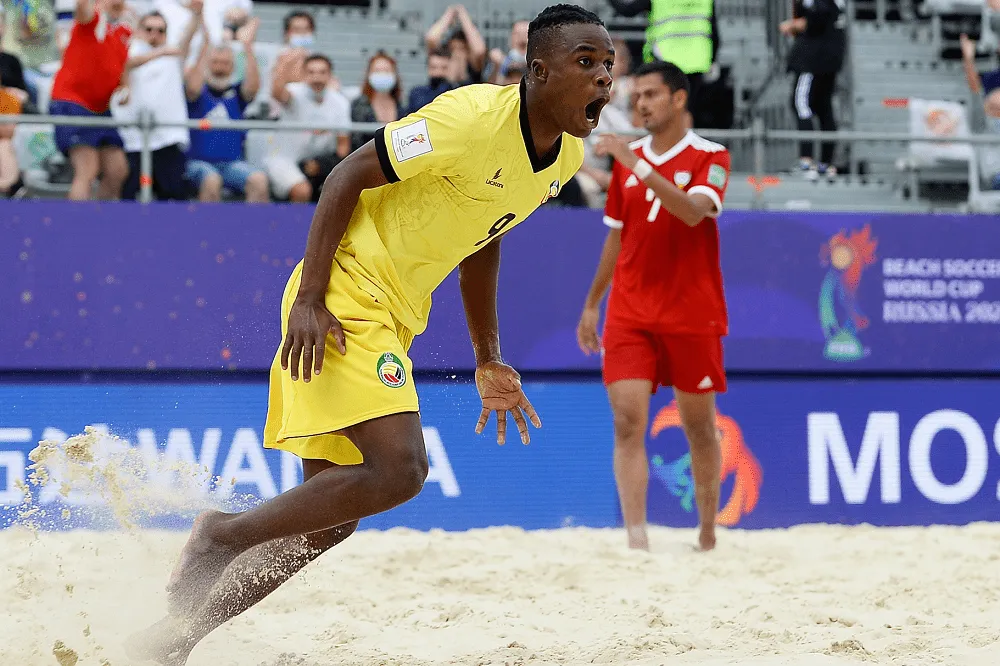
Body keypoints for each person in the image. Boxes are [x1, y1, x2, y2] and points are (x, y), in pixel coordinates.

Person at [126, 4, 612, 662]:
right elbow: (348, 173)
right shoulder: (468, 118)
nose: (604, 77)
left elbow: (484, 238)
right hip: (344, 294)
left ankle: (175, 638)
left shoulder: (565, 158)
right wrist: (311, 297)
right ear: (539, 71)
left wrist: (488, 357)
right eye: (586, 62)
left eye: (608, 64)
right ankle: (221, 535)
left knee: (328, 523)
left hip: (393, 314)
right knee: (400, 470)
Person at [576, 60, 730, 552]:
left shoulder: (712, 155)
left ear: (678, 99)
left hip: (692, 312)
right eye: (636, 96)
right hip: (631, 312)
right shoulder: (630, 159)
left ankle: (707, 532)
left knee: (699, 428)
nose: (639, 103)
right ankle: (637, 540)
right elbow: (615, 238)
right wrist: (592, 304)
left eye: (650, 94)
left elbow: (692, 213)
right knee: (627, 421)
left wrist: (636, 163)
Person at [115, 5, 203, 201]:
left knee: (172, 200)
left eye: (160, 31)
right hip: (133, 140)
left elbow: (188, 37)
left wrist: (197, 14)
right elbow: (125, 65)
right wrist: (161, 52)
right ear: (139, 30)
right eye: (149, 29)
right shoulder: (130, 51)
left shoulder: (174, 57)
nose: (154, 35)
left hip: (167, 139)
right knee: (128, 199)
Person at [49, 0, 132, 200]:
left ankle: (101, 217)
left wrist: (125, 87)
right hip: (72, 102)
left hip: (100, 108)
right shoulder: (93, 20)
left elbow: (122, 67)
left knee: (117, 169)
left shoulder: (123, 32)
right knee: (87, 168)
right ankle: (77, 219)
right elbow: (82, 8)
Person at [183, 30, 268, 202]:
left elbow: (253, 87)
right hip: (197, 163)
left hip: (231, 164)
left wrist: (247, 47)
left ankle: (255, 221)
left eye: (225, 63)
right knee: (212, 180)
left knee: (259, 181)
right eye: (215, 62)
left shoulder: (237, 94)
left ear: (233, 67)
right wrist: (205, 48)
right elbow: (192, 87)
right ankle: (208, 221)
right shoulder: (197, 94)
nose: (220, 67)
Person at [266, 53, 350, 203]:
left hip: (321, 163)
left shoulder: (340, 102)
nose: (317, 78)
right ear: (304, 75)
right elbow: (277, 93)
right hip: (285, 161)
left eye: (322, 72)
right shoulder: (294, 92)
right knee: (302, 191)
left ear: (330, 75)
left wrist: (325, 166)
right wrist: (286, 63)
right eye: (311, 72)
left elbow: (343, 145)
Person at [780, 0, 846, 180]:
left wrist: (794, 25)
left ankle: (807, 162)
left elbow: (819, 15)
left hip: (813, 59)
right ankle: (825, 164)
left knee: (801, 104)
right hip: (830, 57)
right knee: (823, 107)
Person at [350, 50, 402, 152]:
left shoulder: (402, 106)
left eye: (387, 71)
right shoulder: (359, 105)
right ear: (369, 74)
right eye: (377, 71)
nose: (382, 74)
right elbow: (356, 141)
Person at [424, 4, 486, 85]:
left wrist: (463, 16)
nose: (457, 52)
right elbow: (431, 38)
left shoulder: (473, 66)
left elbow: (479, 50)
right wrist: (450, 14)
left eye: (461, 48)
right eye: (453, 48)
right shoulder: (443, 64)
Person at [406, 47, 454, 113]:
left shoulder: (457, 92)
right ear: (428, 68)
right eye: (434, 67)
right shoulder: (417, 93)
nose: (438, 72)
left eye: (444, 68)